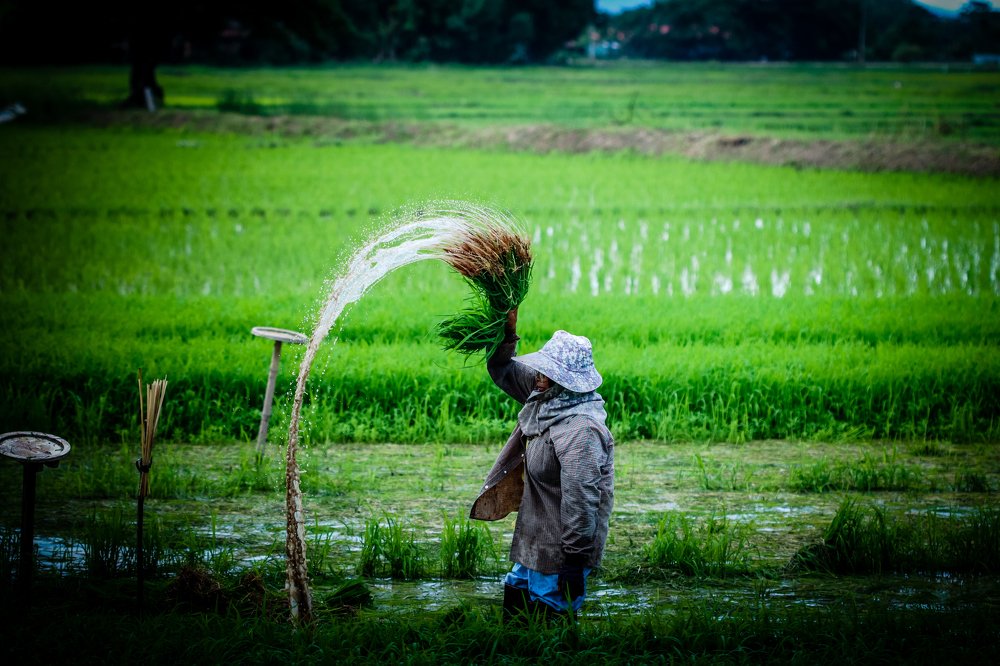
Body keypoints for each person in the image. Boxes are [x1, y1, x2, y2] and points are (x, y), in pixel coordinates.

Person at [470, 308, 614, 622]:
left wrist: (574, 562)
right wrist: (505, 332)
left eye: (546, 373)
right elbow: (502, 369)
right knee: (517, 591)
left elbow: (583, 500)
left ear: (565, 381)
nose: (538, 376)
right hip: (535, 529)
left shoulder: (581, 431)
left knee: (550, 610)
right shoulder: (545, 395)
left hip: (564, 543)